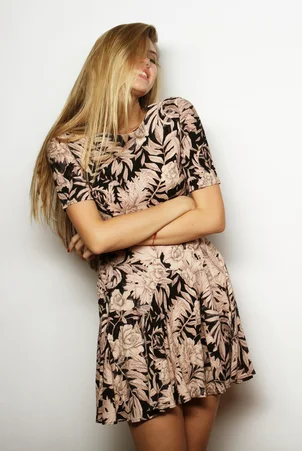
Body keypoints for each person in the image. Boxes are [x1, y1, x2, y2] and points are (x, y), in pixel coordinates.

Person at [30, 23, 254, 451]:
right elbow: (96, 240)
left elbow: (212, 217)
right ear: (106, 62)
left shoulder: (176, 118)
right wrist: (177, 205)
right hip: (133, 311)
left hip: (201, 298)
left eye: (153, 58)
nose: (147, 64)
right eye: (136, 55)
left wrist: (121, 233)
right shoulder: (67, 147)